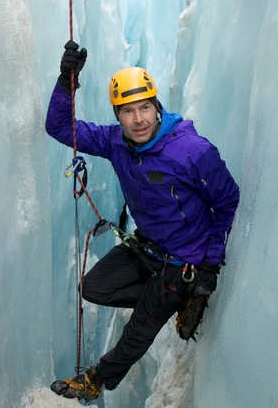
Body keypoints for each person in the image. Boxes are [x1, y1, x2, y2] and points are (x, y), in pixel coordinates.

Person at [46, 40, 240, 402]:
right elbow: (60, 128)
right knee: (92, 288)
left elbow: (228, 201)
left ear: (157, 106)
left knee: (138, 330)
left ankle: (96, 379)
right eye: (128, 111)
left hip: (183, 262)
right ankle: (170, 302)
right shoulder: (115, 143)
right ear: (118, 116)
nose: (139, 119)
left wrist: (210, 264)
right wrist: (65, 81)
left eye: (145, 108)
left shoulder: (192, 150)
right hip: (146, 248)